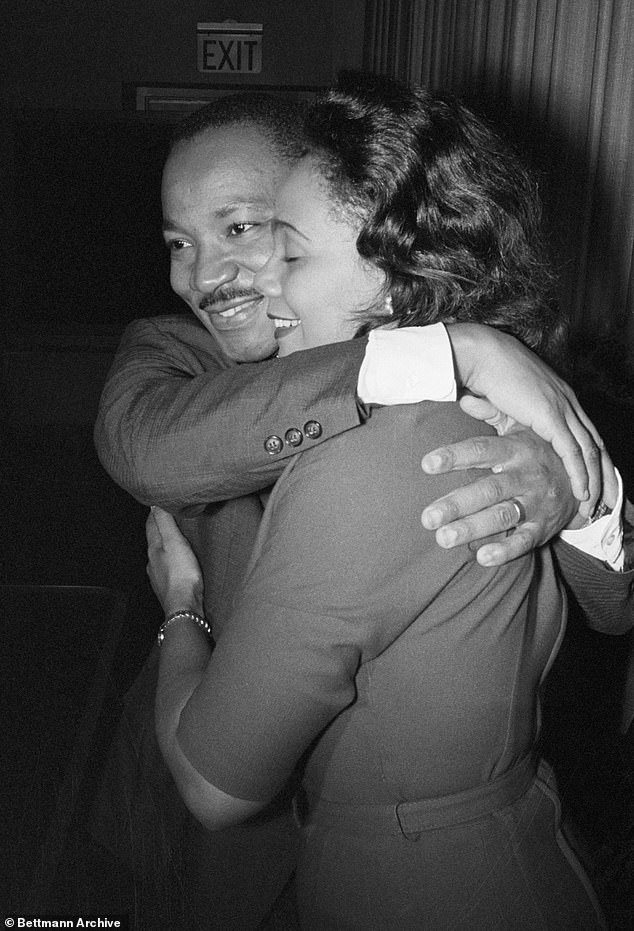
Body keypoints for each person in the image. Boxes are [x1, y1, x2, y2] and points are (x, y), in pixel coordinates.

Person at [92, 90, 633, 929]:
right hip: (222, 836)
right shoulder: (171, 352)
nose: (206, 276)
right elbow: (142, 447)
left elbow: (612, 597)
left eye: (243, 230)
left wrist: (569, 488)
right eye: (178, 242)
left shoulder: (495, 392)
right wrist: (439, 351)